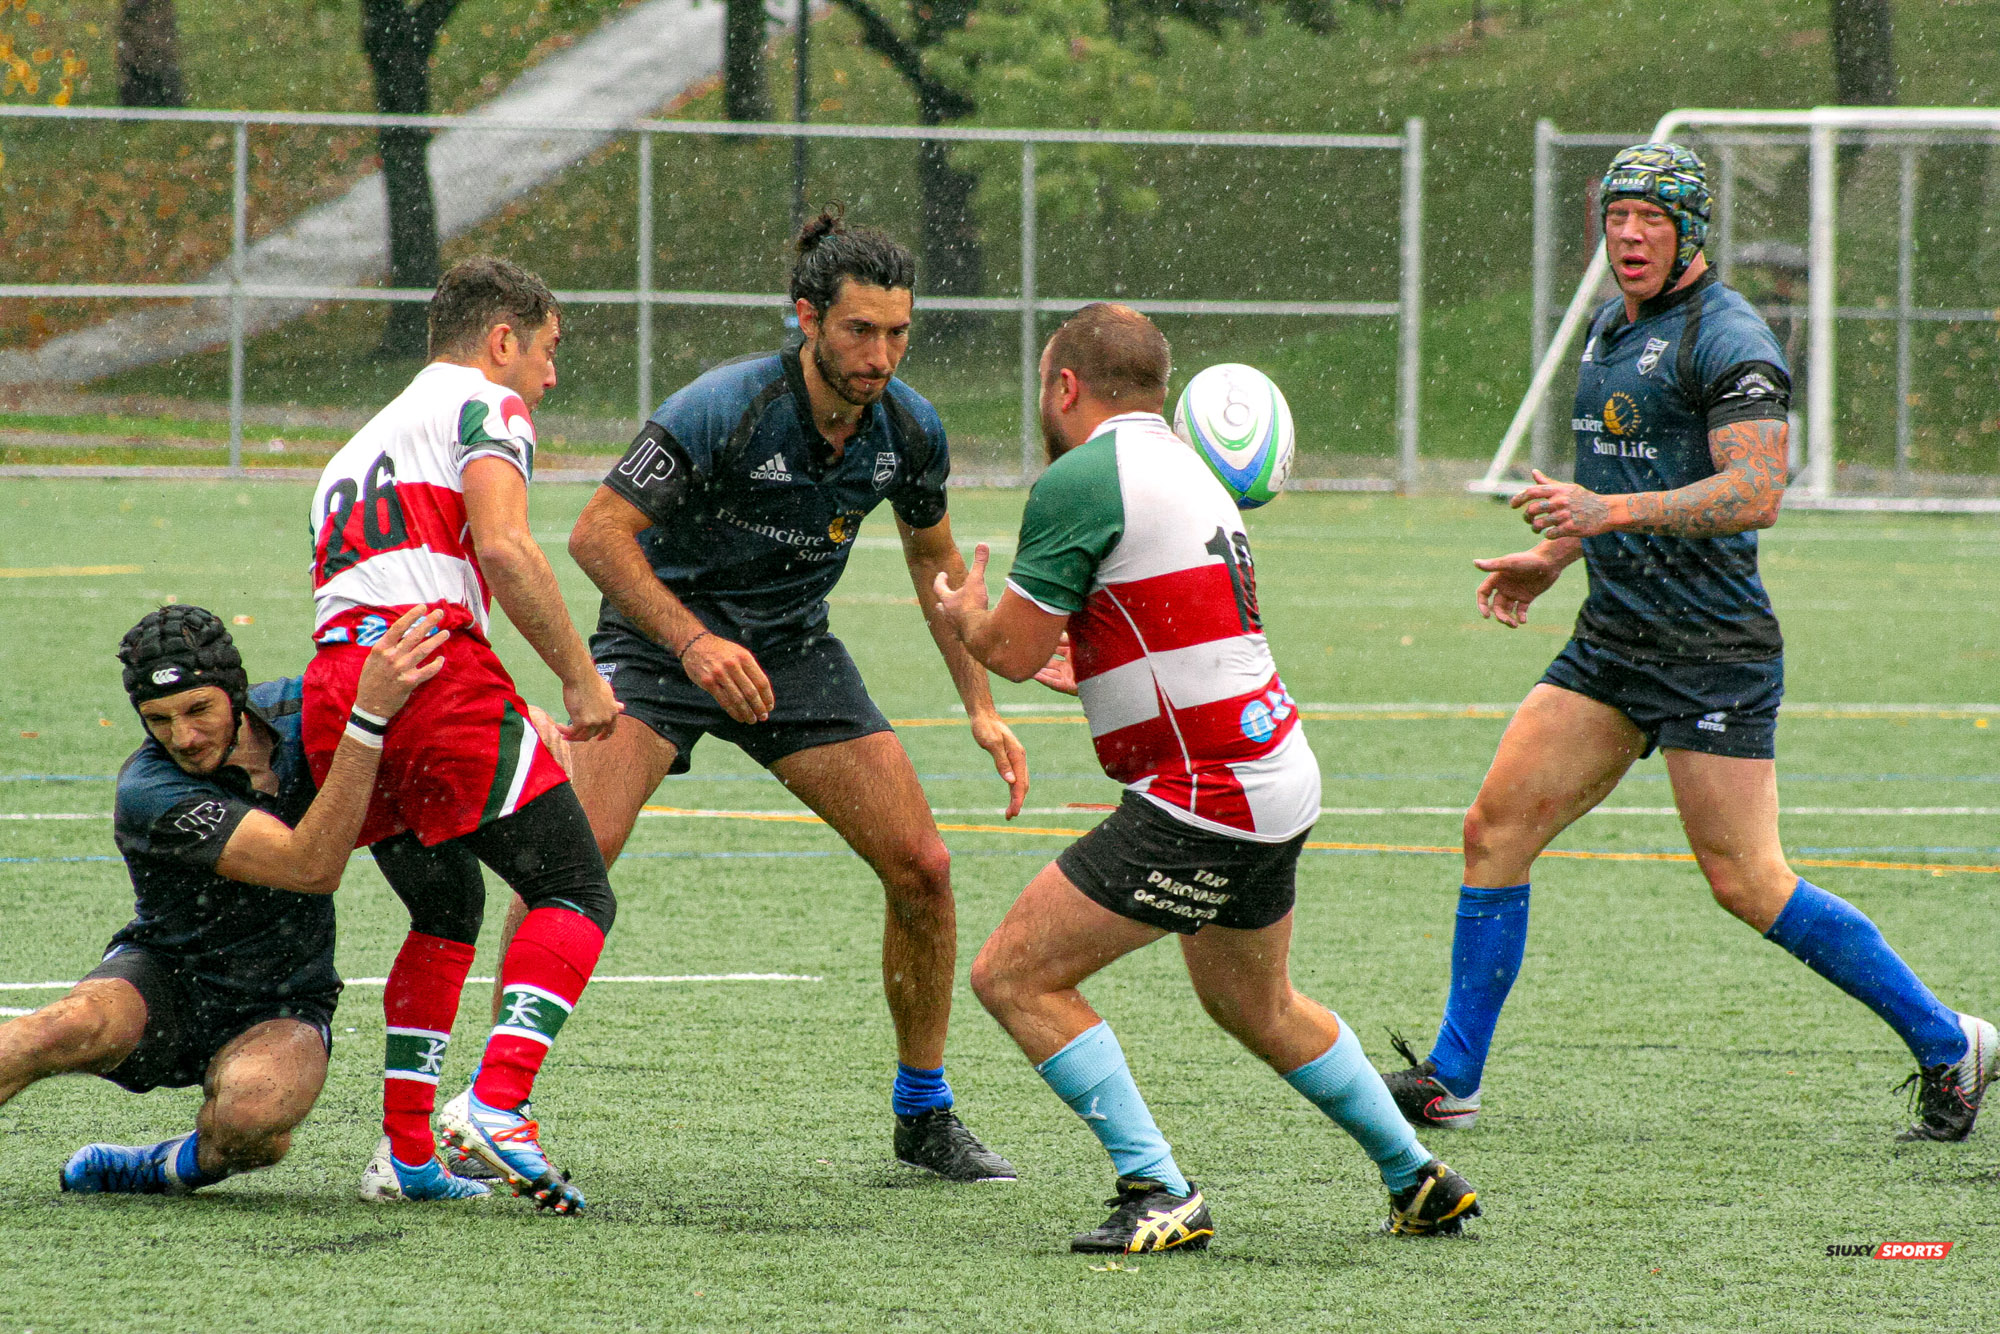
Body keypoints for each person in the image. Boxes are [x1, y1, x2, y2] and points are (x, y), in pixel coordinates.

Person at [1381, 143, 1997, 1143]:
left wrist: (1606, 510)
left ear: (1688, 232)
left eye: (1649, 219)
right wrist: (1555, 554)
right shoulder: (1605, 330)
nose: (1626, 234)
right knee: (1493, 830)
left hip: (1710, 647)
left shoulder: (1729, 337)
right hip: (1612, 642)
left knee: (1746, 879)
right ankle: (1450, 1075)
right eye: (1616, 215)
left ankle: (1946, 1039)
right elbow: (1616, 475)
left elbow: (1754, 491)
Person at [485, 205, 1025, 1184]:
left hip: (793, 652)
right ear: (806, 317)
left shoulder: (908, 429)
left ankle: (923, 1109)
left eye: (898, 332)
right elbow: (597, 537)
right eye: (860, 330)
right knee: (569, 860)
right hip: (660, 642)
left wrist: (981, 704)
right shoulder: (723, 406)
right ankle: (496, 1107)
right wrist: (690, 641)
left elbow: (937, 565)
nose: (879, 353)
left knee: (923, 867)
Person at [934, 303, 1481, 1252]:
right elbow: (1171, 628)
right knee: (1253, 1004)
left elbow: (1012, 652)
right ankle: (1417, 1175)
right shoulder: (1194, 470)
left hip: (1206, 794)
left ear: (1065, 387)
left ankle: (1159, 1189)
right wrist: (1097, 664)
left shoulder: (1083, 477)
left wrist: (965, 616)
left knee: (1015, 976)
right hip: (1277, 772)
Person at [305, 255, 622, 1214]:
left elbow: (386, 592)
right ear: (501, 341)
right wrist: (576, 675)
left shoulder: (354, 449)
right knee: (572, 887)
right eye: (548, 350)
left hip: (344, 692)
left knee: (445, 912)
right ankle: (496, 1105)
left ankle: (405, 1156)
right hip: (433, 674)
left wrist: (502, 696)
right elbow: (504, 545)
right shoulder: (489, 405)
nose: (551, 376)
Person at [0, 603, 443, 1195]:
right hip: (163, 978)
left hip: (284, 998)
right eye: (158, 719)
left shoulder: (302, 710)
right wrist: (366, 723)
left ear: (235, 693)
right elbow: (310, 867)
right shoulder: (149, 788)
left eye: (198, 708)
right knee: (50, 1031)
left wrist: (521, 725)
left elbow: (441, 704)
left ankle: (165, 1167)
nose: (182, 735)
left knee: (250, 1126)